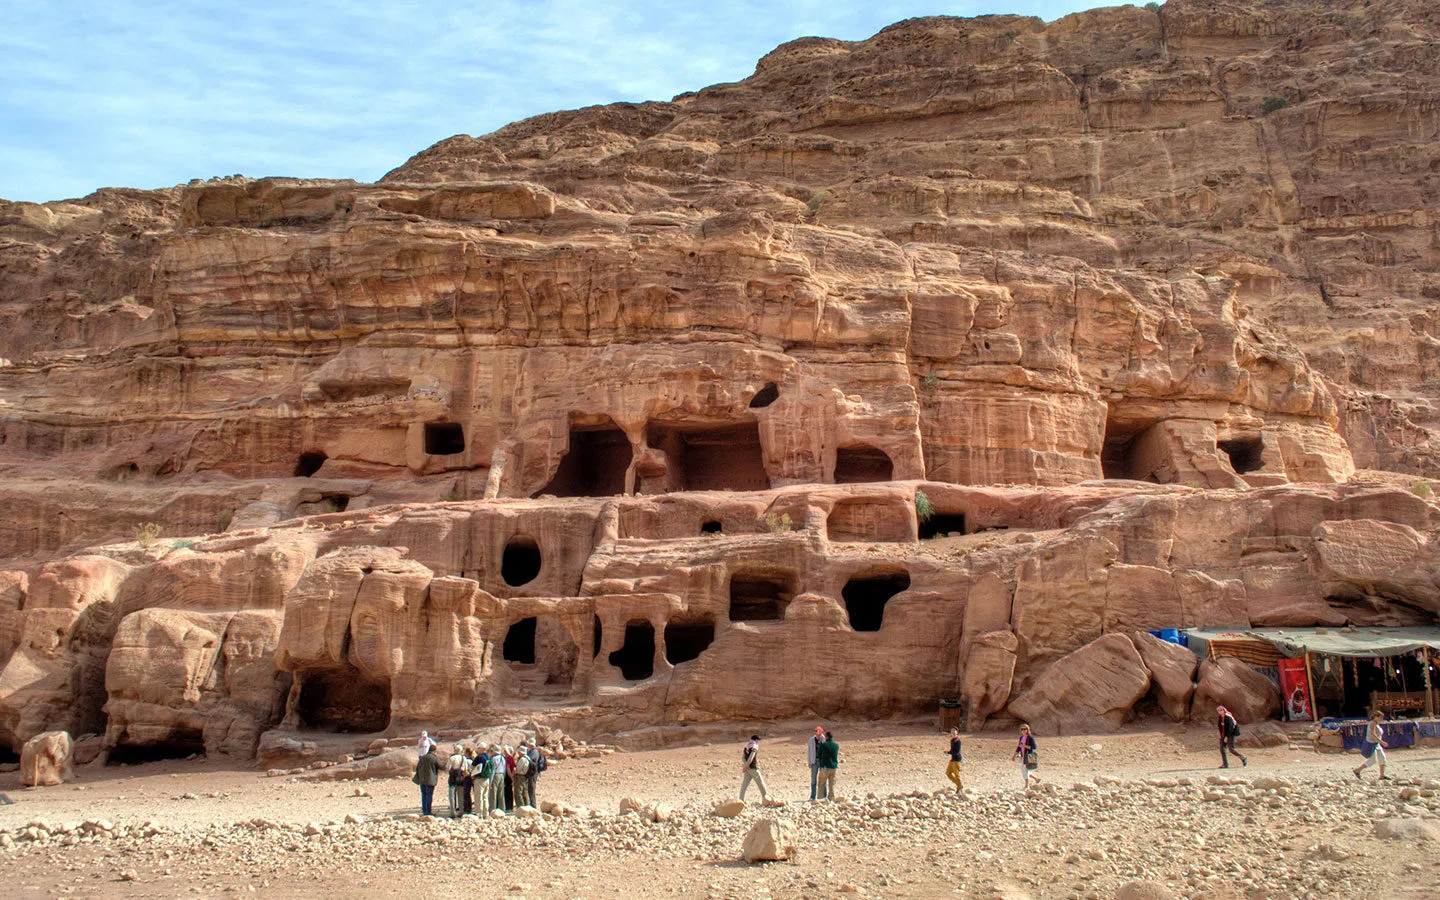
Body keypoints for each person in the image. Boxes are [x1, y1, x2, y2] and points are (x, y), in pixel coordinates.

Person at [1353, 711, 1391, 781]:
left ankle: (1382, 775)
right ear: (1376, 717)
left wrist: (1379, 742)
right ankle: (1357, 770)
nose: (1381, 719)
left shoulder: (1376, 724)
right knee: (1372, 760)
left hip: (1376, 744)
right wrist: (1381, 742)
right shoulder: (1372, 723)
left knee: (1382, 758)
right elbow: (1373, 734)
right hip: (1371, 744)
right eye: (1380, 718)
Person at [412, 744, 442, 816]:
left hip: (422, 780)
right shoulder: (434, 758)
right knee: (429, 795)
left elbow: (417, 768)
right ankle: (428, 812)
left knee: (424, 795)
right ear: (434, 751)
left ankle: (424, 811)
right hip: (430, 780)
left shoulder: (422, 757)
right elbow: (441, 766)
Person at [739, 735, 768, 801]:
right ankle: (766, 798)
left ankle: (740, 799)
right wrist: (747, 766)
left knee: (744, 785)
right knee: (760, 782)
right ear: (756, 740)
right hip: (752, 767)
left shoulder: (746, 746)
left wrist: (745, 766)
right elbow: (751, 758)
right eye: (757, 740)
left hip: (747, 768)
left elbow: (743, 758)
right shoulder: (754, 746)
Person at [1011, 724, 1040, 789]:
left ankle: (1026, 785)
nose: (1023, 731)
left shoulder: (1030, 738)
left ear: (1028, 729)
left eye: (1025, 729)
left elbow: (1034, 747)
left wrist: (1025, 746)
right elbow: (1019, 747)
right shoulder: (1021, 738)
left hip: (1028, 756)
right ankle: (1036, 779)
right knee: (1025, 769)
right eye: (1022, 729)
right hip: (1023, 756)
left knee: (1024, 770)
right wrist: (1014, 755)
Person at [446, 744, 470, 818]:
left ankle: (452, 812)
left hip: (453, 777)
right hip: (461, 777)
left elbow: (448, 769)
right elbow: (465, 769)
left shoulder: (452, 758)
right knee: (461, 794)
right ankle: (461, 811)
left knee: (452, 795)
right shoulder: (464, 758)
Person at [815, 730, 839, 800]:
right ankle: (831, 798)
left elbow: (818, 755)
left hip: (824, 767)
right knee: (832, 785)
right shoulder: (836, 746)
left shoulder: (823, 745)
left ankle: (820, 798)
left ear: (827, 737)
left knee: (821, 784)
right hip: (833, 767)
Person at [806, 726, 825, 801]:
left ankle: (823, 796)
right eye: (815, 731)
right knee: (813, 780)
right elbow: (809, 751)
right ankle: (812, 796)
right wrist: (809, 761)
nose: (816, 732)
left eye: (817, 731)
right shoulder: (811, 740)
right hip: (814, 761)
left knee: (823, 779)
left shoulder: (824, 739)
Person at [487, 744, 507, 814]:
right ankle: (502, 809)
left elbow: (493, 770)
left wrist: (490, 781)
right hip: (501, 775)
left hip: (495, 775)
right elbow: (504, 769)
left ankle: (492, 810)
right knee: (501, 793)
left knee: (493, 794)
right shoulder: (503, 758)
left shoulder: (494, 759)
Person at [513, 742, 534, 808]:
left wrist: (514, 770)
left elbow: (518, 770)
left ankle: (520, 806)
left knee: (518, 792)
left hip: (520, 776)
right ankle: (527, 805)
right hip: (525, 776)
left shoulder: (522, 759)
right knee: (525, 792)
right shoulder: (528, 758)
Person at [526, 741, 546, 806]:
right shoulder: (532, 751)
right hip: (532, 772)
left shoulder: (534, 752)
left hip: (533, 773)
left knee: (531, 789)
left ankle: (533, 805)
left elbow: (530, 760)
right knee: (529, 788)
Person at [945, 727, 964, 793]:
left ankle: (959, 787)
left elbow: (957, 751)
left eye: (954, 732)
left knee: (956, 774)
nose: (953, 733)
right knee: (948, 773)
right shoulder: (952, 740)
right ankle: (959, 784)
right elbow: (952, 750)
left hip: (957, 759)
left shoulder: (958, 741)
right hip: (953, 759)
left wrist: (949, 752)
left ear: (957, 733)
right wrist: (948, 752)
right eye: (952, 732)